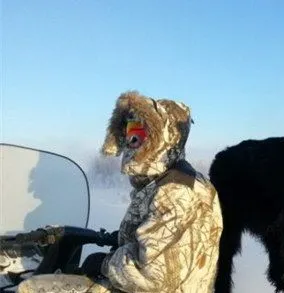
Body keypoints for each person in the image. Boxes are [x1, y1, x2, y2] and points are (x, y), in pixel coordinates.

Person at [17, 91, 224, 293]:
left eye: (140, 134)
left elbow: (151, 276)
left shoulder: (175, 192)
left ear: (164, 139)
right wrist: (121, 239)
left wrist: (104, 264)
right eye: (130, 132)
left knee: (31, 288)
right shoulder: (173, 182)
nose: (131, 140)